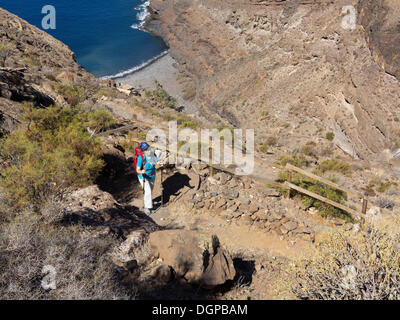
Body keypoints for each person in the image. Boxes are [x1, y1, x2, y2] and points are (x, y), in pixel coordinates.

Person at [136, 142, 159, 215]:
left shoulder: (153, 154)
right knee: (148, 191)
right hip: (143, 177)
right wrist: (141, 171)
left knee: (150, 190)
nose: (148, 151)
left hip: (152, 175)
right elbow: (137, 169)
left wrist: (160, 164)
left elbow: (156, 162)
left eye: (149, 149)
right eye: (146, 150)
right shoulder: (141, 157)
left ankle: (147, 202)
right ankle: (147, 207)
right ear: (143, 151)